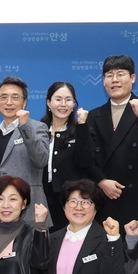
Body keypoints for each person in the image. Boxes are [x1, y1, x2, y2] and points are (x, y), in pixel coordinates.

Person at [85, 55, 138, 227]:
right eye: (109, 75)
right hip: (104, 199)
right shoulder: (93, 116)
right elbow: (85, 158)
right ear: (103, 81)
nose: (115, 80)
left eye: (120, 74)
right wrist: (101, 181)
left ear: (133, 78)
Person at [0, 77, 51, 229]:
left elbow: (41, 160)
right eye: (3, 97)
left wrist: (24, 125)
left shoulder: (37, 128)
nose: (9, 102)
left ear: (24, 102)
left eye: (15, 97)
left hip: (28, 214)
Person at [40, 82, 93, 231]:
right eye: (58, 99)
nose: (63, 104)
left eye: (68, 100)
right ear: (48, 103)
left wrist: (82, 126)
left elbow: (85, 162)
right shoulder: (39, 129)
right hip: (42, 197)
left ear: (74, 104)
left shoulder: (81, 130)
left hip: (71, 199)